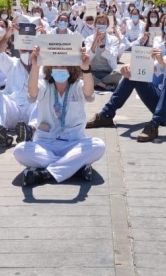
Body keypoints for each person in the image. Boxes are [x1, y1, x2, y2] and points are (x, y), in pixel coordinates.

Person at [86, 21, 166, 143]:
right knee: (136, 74)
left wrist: (163, 63)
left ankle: (154, 125)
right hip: (163, 107)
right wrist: (129, 68)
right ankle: (106, 115)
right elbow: (147, 67)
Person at [13, 46, 106, 186]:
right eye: (56, 65)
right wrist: (35, 65)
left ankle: (46, 173)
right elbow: (32, 93)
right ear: (50, 68)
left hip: (73, 143)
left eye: (64, 65)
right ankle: (75, 166)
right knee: (20, 151)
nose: (60, 68)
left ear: (71, 68)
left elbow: (88, 93)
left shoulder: (77, 86)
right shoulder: (44, 85)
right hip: (46, 144)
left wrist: (86, 68)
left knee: (98, 146)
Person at [0, 21, 38, 147]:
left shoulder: (44, 67)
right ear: (18, 48)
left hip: (34, 112)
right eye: (23, 47)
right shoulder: (12, 64)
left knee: (44, 100)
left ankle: (29, 131)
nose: (26, 50)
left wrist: (45, 41)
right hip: (13, 109)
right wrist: (7, 35)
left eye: (29, 47)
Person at [84, 15, 122, 91]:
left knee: (118, 73)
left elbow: (113, 56)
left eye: (103, 23)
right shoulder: (89, 39)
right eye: (99, 22)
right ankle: (104, 85)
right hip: (93, 72)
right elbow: (88, 56)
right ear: (95, 24)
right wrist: (95, 42)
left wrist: (102, 47)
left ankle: (94, 84)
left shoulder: (113, 39)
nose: (101, 25)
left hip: (107, 72)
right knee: (80, 72)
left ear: (107, 25)